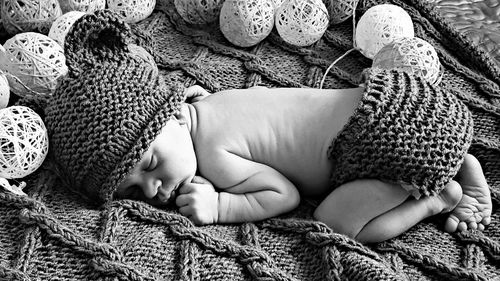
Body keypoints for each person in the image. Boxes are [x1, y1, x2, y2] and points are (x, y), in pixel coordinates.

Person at [45, 10, 492, 244]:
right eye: (135, 190)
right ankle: (460, 160)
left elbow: (285, 194)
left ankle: (436, 198)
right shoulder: (205, 103)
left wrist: (221, 206)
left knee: (334, 223)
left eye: (149, 162)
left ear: (173, 114)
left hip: (379, 143)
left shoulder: (216, 157)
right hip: (404, 102)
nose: (153, 189)